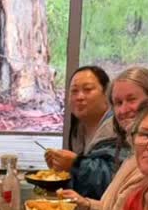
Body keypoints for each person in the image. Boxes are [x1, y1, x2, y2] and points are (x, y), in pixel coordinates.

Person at [60, 66, 148, 210]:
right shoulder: (133, 156)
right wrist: (87, 205)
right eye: (118, 102)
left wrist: (76, 164)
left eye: (132, 100)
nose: (124, 109)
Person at [45, 65, 118, 201]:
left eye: (88, 90)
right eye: (74, 91)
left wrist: (76, 164)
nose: (79, 97)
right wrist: (61, 169)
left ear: (106, 93)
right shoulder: (78, 127)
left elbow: (114, 182)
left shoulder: (117, 128)